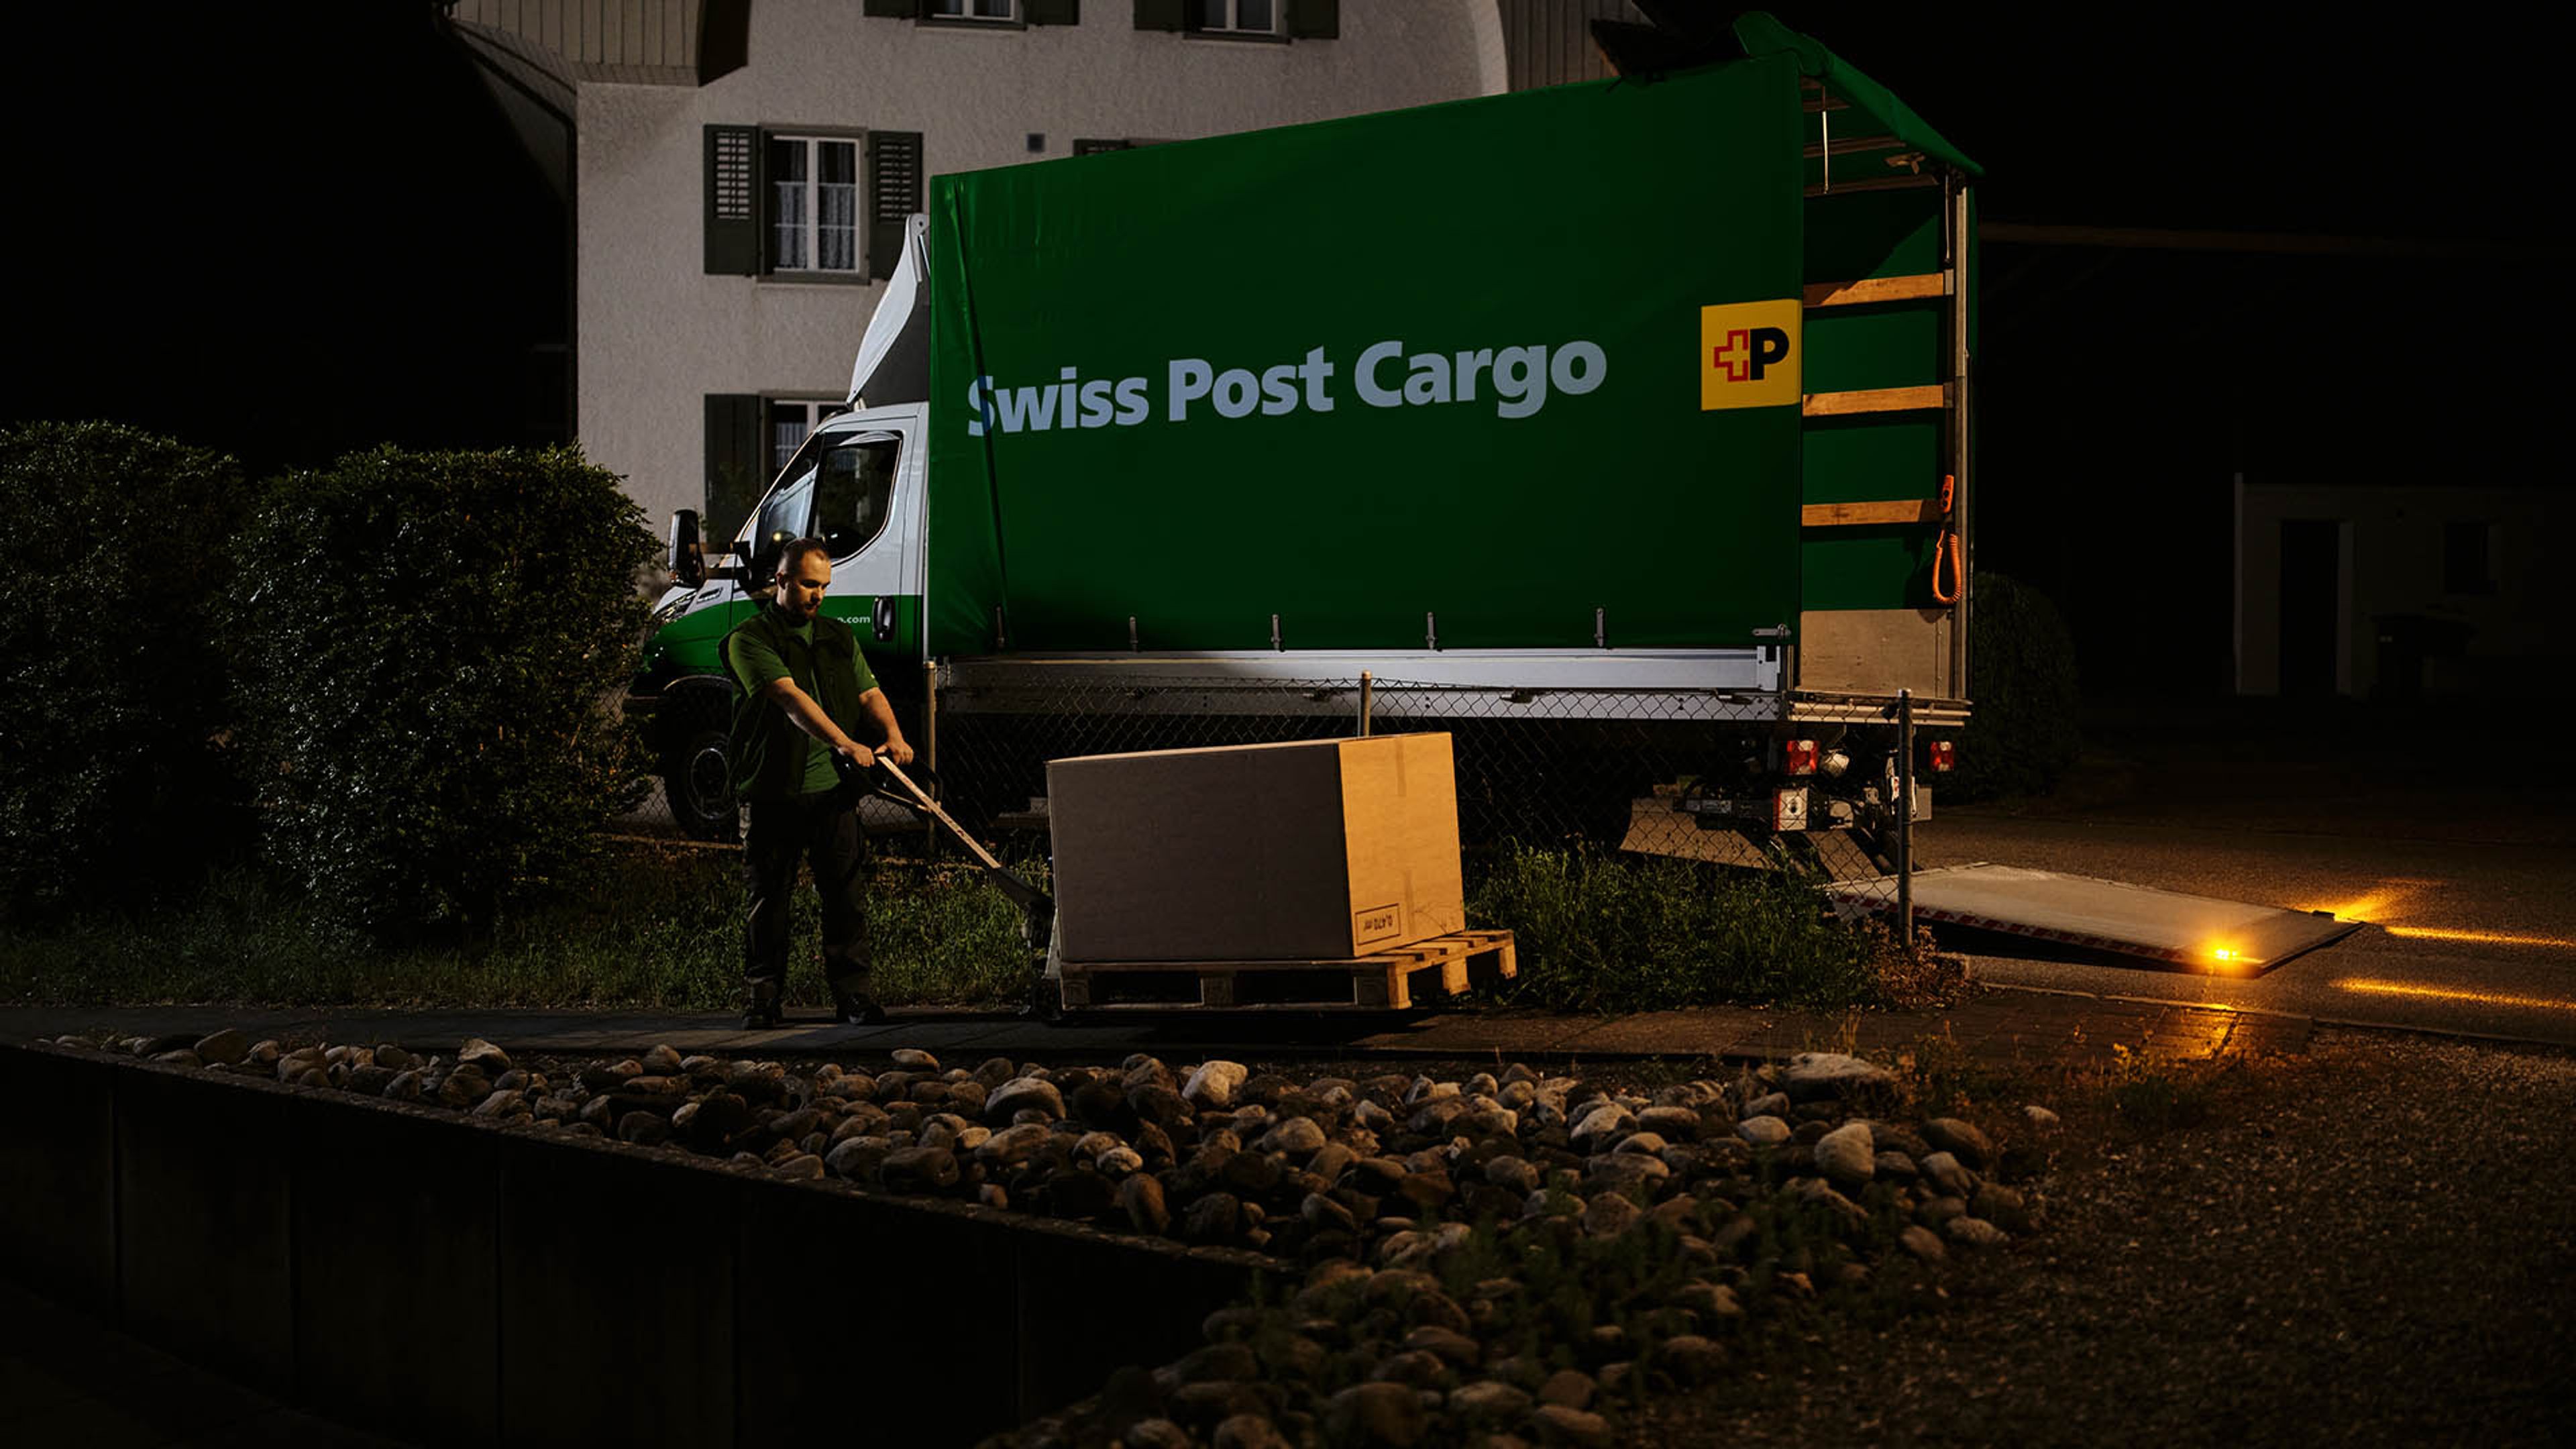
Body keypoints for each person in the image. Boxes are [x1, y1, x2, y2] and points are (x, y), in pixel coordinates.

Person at [722, 537, 914, 1028]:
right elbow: (789, 699)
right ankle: (762, 999)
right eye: (809, 584)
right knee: (768, 901)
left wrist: (891, 734)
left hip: (834, 793)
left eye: (824, 586)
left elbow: (869, 691)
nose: (818, 595)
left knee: (846, 898)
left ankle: (854, 997)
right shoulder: (750, 640)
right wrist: (845, 743)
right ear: (781, 581)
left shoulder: (836, 636)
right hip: (771, 790)